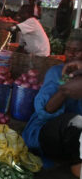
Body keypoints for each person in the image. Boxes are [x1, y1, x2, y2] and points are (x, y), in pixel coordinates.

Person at [22, 28, 82, 177]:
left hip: (75, 142)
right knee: (75, 122)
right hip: (48, 132)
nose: (70, 54)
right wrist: (64, 89)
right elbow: (44, 111)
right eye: (68, 49)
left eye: (77, 51)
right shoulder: (57, 72)